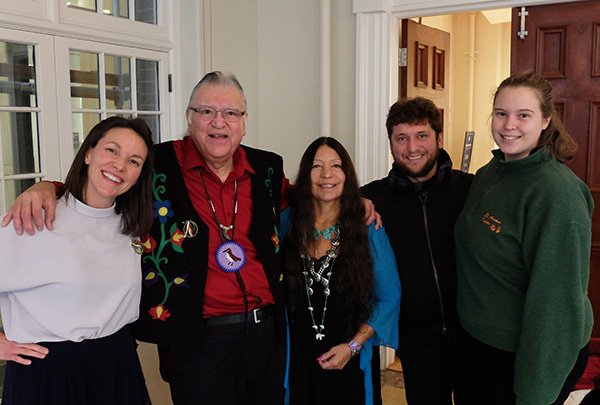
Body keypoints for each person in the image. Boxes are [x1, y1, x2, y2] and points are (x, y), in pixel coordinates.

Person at [2, 71, 379, 404]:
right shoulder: (154, 164)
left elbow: (307, 197)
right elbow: (105, 184)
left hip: (267, 334)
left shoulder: (266, 167)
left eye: (231, 113)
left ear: (244, 122)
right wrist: (45, 187)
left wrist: (354, 199)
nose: (219, 122)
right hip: (196, 341)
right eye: (206, 111)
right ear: (189, 117)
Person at [453, 71, 594, 405]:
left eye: (523, 115)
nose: (508, 125)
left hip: (525, 355)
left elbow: (556, 305)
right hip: (478, 345)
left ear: (545, 120)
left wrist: (535, 394)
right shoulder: (491, 172)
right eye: (501, 114)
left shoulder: (557, 194)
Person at [0, 116, 155, 404]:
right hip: (48, 374)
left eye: (134, 161)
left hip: (117, 369)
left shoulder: (132, 227)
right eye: (112, 150)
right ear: (88, 153)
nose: (120, 165)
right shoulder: (32, 220)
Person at [360, 97, 473, 404]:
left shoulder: (472, 190)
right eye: (402, 138)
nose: (412, 148)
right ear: (391, 144)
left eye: (421, 135)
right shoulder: (371, 198)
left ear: (438, 137)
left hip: (474, 333)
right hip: (416, 339)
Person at [283, 137, 401, 405]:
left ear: (347, 174)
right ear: (305, 175)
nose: (327, 174)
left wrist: (353, 346)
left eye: (336, 166)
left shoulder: (367, 226)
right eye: (317, 166)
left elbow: (390, 296)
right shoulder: (288, 223)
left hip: (350, 357)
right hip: (297, 356)